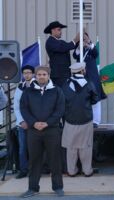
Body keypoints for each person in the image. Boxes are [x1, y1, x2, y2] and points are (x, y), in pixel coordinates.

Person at [20, 66, 65, 198]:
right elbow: (24, 108)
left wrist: (47, 123)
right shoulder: (28, 92)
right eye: (39, 74)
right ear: (35, 76)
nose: (41, 76)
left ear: (48, 76)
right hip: (34, 131)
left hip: (52, 130)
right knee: (34, 160)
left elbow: (60, 109)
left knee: (55, 160)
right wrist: (33, 123)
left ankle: (58, 187)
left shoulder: (57, 91)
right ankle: (32, 188)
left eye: (44, 74)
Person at [61, 62, 99, 177]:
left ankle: (71, 171)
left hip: (70, 119)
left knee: (71, 147)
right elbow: (95, 99)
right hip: (85, 119)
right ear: (83, 71)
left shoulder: (65, 84)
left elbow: (62, 101)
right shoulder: (88, 84)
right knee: (86, 147)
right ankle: (87, 170)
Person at [73, 33, 106, 127]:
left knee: (96, 99)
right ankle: (83, 119)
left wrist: (89, 42)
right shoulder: (79, 50)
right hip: (81, 77)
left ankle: (96, 121)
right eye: (82, 39)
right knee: (82, 98)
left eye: (85, 39)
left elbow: (96, 53)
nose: (83, 41)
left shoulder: (91, 49)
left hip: (93, 77)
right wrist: (79, 46)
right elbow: (75, 55)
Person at [13, 65, 35, 179]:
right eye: (25, 73)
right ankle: (23, 170)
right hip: (23, 124)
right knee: (22, 148)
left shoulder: (38, 86)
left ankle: (36, 169)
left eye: (29, 72)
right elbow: (16, 106)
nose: (27, 74)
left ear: (33, 74)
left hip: (35, 123)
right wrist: (21, 121)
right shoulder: (20, 87)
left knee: (36, 147)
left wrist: (32, 121)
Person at [44, 21, 80, 87]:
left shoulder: (60, 42)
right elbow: (63, 47)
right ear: (53, 30)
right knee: (60, 93)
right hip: (58, 75)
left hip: (65, 73)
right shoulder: (50, 41)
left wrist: (80, 40)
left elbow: (70, 46)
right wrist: (75, 39)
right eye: (59, 30)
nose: (61, 32)